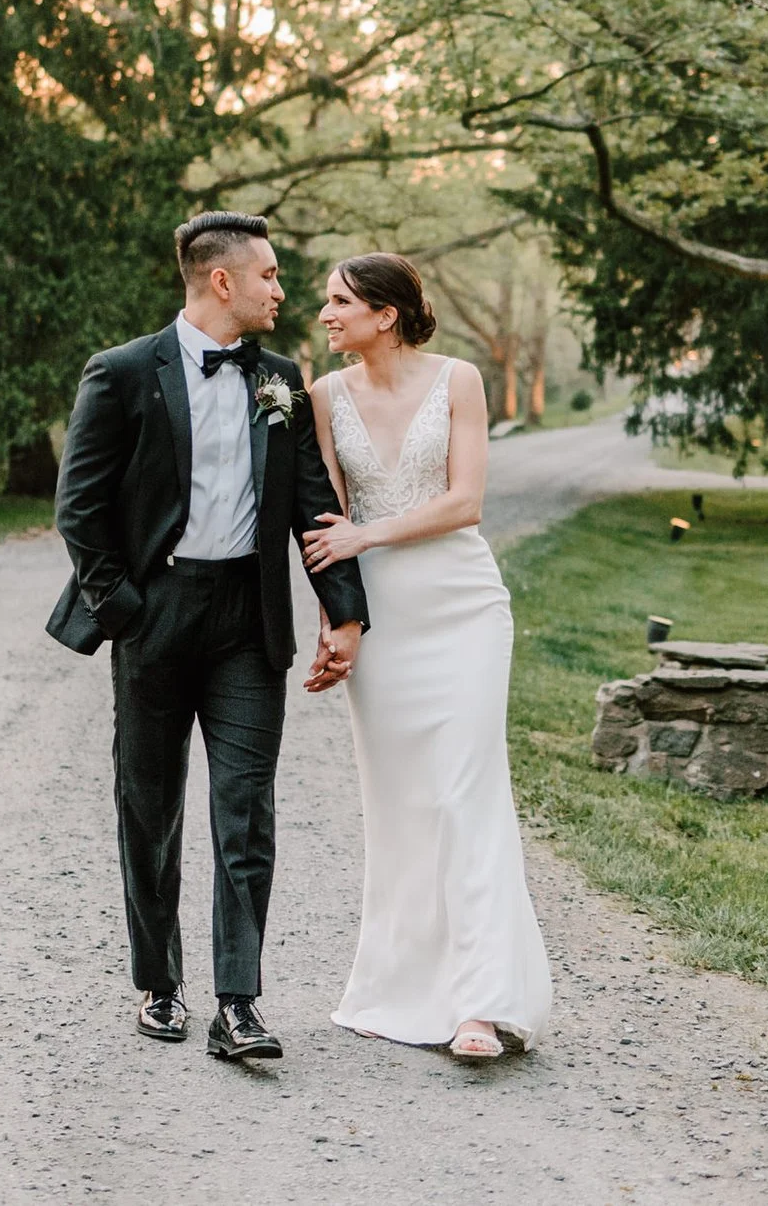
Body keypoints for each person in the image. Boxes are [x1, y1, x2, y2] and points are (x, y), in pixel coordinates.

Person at [47, 212, 370, 1061]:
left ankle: (239, 1004)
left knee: (245, 813)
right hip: (155, 616)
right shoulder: (121, 374)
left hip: (245, 622)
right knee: (149, 809)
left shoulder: (281, 379)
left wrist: (345, 612)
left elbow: (311, 503)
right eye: (268, 274)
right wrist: (125, 611)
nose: (281, 288)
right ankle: (159, 983)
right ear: (220, 281)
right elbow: (78, 510)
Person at [302, 253, 552, 1059]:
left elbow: (464, 501)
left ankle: (481, 1003)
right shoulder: (323, 396)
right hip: (384, 623)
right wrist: (336, 624)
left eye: (339, 301)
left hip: (463, 606)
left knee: (464, 794)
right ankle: (399, 987)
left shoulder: (460, 380)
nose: (325, 313)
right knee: (402, 802)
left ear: (386, 312)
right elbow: (322, 521)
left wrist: (367, 532)